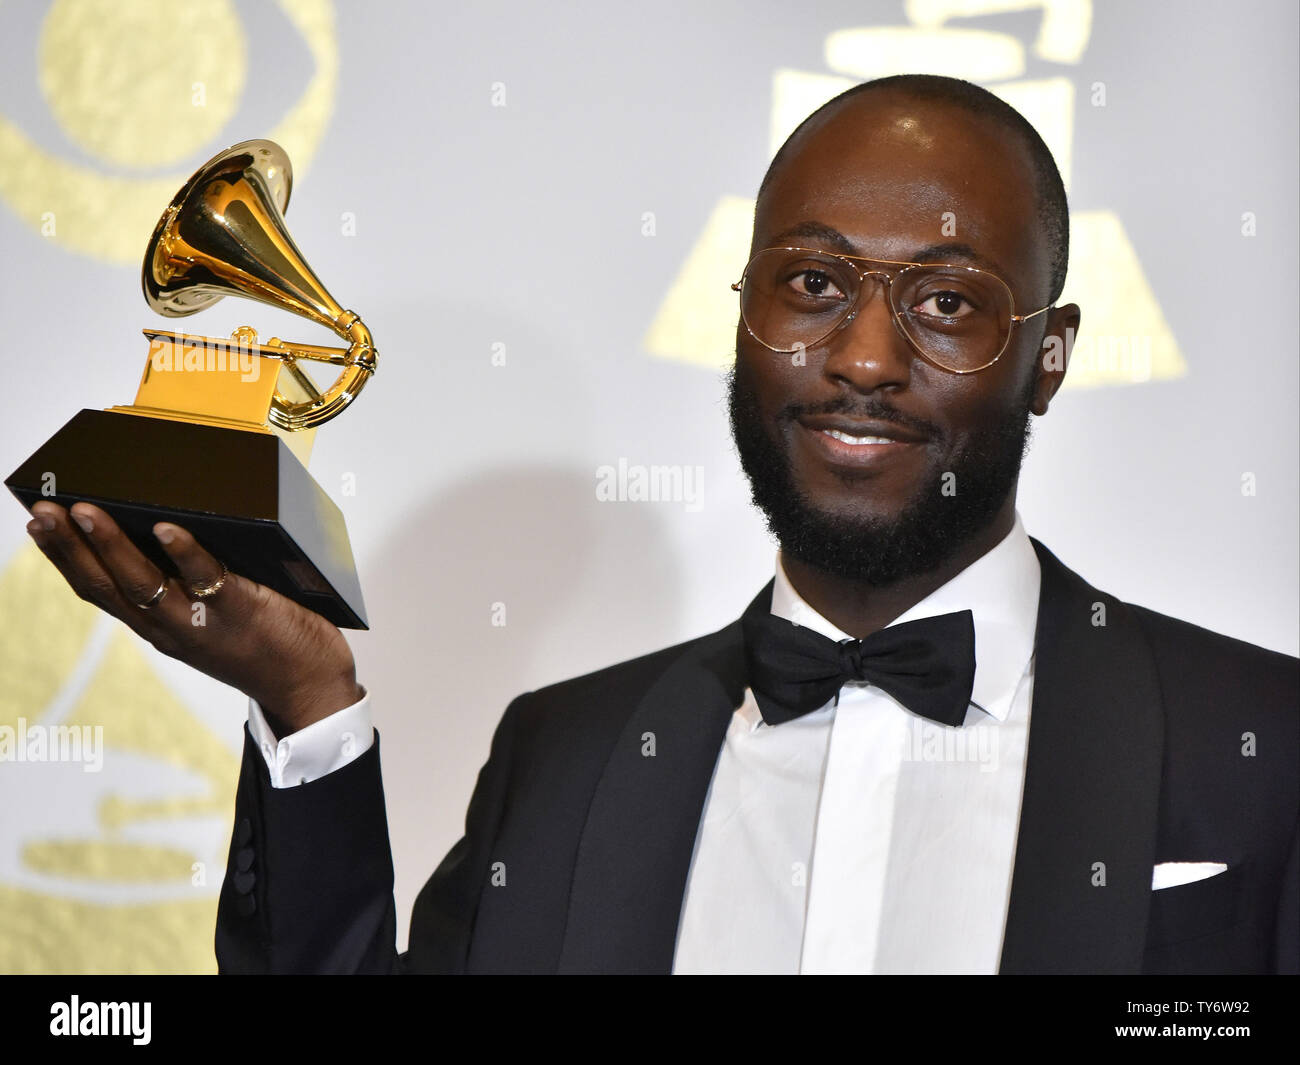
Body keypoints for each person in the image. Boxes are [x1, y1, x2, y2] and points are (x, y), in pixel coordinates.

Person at [22, 74, 1297, 975]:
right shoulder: (563, 761)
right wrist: (306, 705)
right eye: (812, 284)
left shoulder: (1264, 751)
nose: (861, 357)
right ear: (741, 314)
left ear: (1051, 356)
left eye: (945, 303)